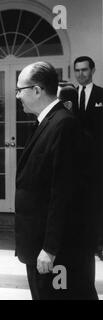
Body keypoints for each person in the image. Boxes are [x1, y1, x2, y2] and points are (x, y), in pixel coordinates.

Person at [15, 61, 98, 300]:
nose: (18, 95)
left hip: (57, 252)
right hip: (40, 246)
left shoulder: (63, 125)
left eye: (20, 90)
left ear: (38, 90)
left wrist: (50, 248)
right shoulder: (48, 122)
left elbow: (64, 192)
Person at [73, 56, 103, 261]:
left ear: (92, 70)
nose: (80, 74)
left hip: (99, 161)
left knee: (98, 203)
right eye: (77, 70)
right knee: (78, 203)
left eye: (84, 70)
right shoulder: (68, 96)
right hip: (76, 163)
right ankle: (81, 243)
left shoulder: (102, 94)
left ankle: (99, 244)